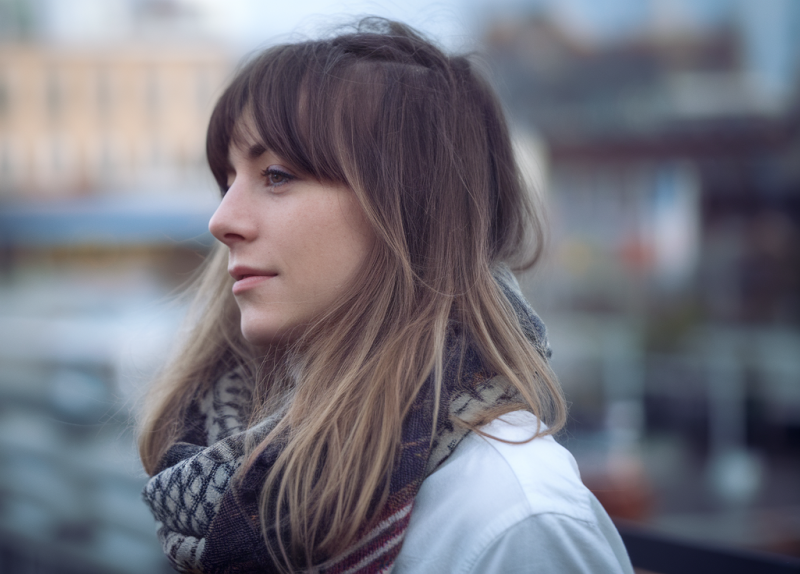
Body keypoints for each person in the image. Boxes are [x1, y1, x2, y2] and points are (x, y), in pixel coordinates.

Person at [138, 18, 634, 574]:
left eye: (276, 174)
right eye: (227, 180)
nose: (221, 220)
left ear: (407, 210)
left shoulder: (515, 518)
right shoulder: (227, 464)